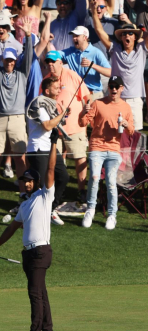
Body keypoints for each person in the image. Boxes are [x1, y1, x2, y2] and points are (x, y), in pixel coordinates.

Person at [0, 128, 60, 331]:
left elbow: (51, 169)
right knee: (40, 293)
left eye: (29, 181)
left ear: (36, 183)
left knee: (35, 293)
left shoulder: (45, 196)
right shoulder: (24, 205)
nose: (25, 183)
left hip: (41, 251)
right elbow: (11, 229)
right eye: (23, 180)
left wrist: (54, 144)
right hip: (29, 253)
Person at [0, 15, 32, 199]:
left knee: (20, 157)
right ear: (2, 59)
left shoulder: (22, 73)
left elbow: (30, 56)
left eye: (12, 60)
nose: (9, 63)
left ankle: (23, 192)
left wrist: (28, 36)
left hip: (18, 118)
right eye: (6, 60)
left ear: (16, 60)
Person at [79, 75, 134, 230]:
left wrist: (125, 125)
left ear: (122, 88)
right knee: (95, 178)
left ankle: (112, 215)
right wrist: (83, 112)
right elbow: (82, 122)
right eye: (111, 86)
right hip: (97, 146)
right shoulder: (98, 103)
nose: (114, 89)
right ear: (108, 87)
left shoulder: (126, 107)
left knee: (110, 182)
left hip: (114, 149)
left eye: (117, 87)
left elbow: (131, 131)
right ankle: (90, 210)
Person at [42, 51, 88, 205]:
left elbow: (87, 96)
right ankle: (56, 193)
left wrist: (85, 113)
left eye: (53, 61)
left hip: (75, 126)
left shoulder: (72, 75)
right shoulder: (46, 81)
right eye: (48, 62)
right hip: (55, 129)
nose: (50, 64)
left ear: (60, 62)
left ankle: (81, 190)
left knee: (80, 157)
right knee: (55, 162)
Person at [26, 76, 70, 223]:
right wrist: (62, 115)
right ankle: (34, 213)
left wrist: (63, 116)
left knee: (63, 176)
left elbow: (54, 123)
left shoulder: (49, 104)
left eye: (59, 87)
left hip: (50, 148)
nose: (59, 90)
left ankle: (51, 209)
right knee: (42, 185)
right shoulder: (38, 102)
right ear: (46, 90)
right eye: (56, 87)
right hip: (37, 149)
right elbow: (47, 125)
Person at [91, 18, 147, 130]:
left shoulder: (142, 49)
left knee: (134, 136)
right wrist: (93, 12)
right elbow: (99, 30)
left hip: (135, 100)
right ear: (121, 38)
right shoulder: (114, 49)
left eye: (130, 33)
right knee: (114, 134)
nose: (127, 36)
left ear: (135, 37)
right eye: (124, 33)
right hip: (116, 98)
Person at [58, 25, 111, 99]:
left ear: (85, 37)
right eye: (73, 36)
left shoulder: (96, 52)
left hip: (94, 95)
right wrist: (48, 42)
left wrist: (92, 65)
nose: (74, 38)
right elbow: (54, 55)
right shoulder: (70, 52)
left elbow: (110, 72)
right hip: (77, 95)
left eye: (77, 36)